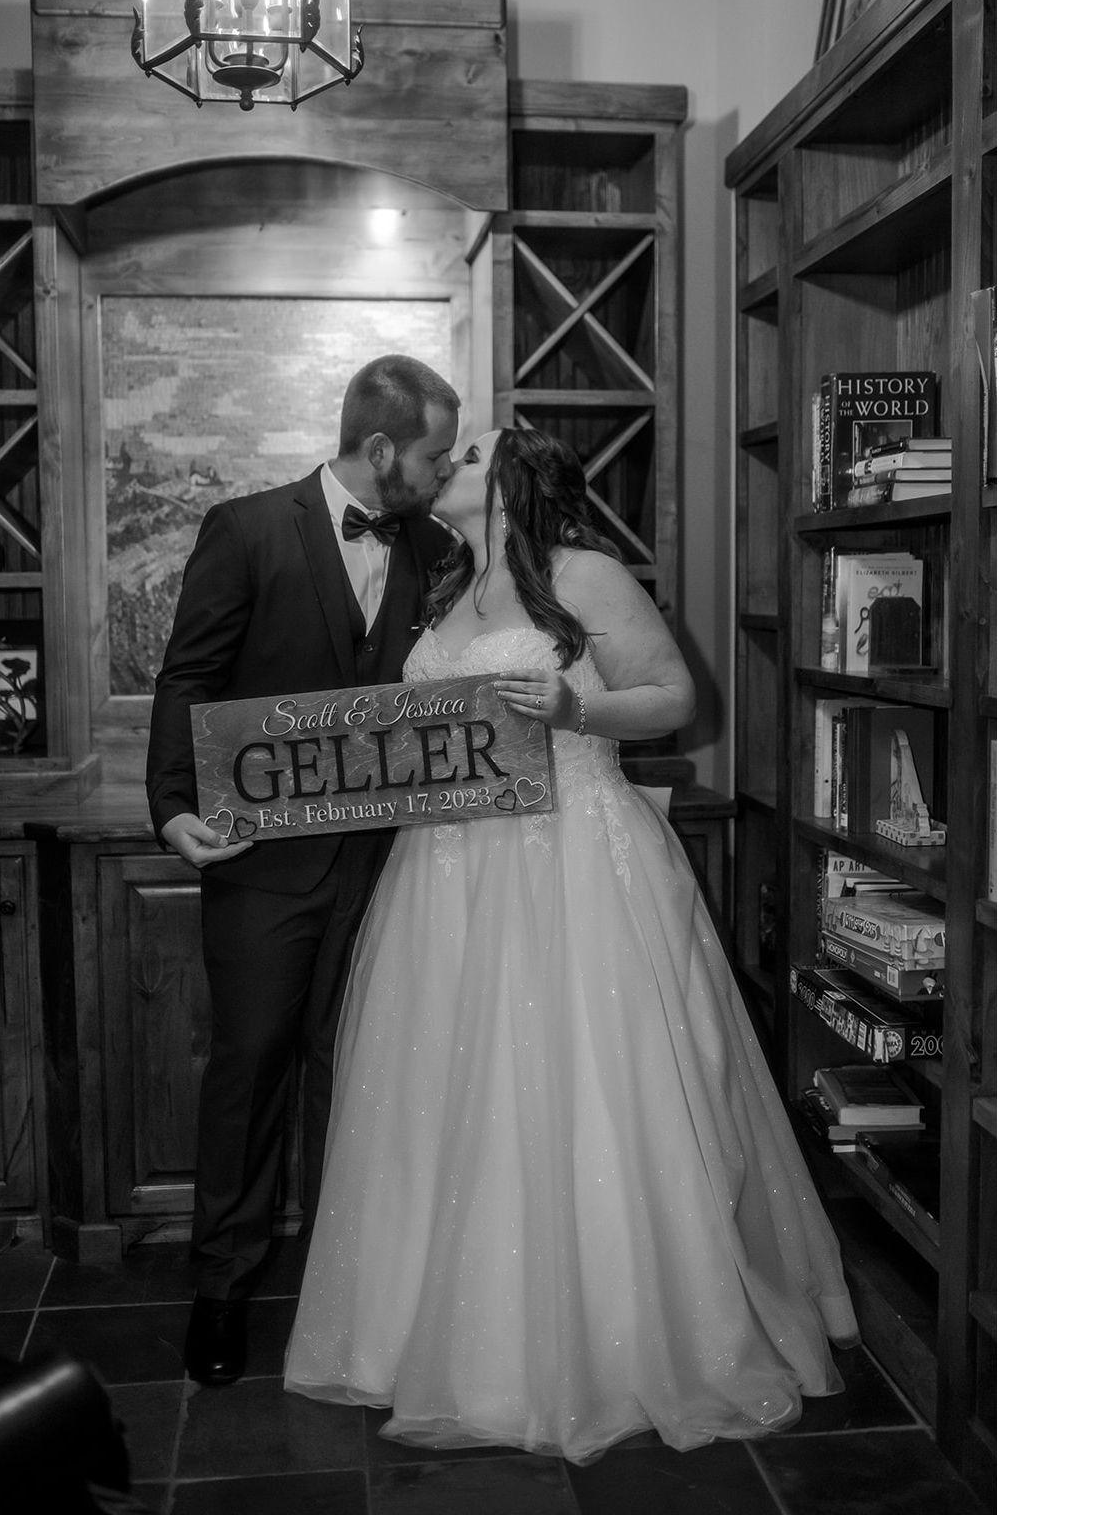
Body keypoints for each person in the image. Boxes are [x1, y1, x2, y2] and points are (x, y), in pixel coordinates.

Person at [283, 427, 859, 1462]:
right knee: (448, 1084)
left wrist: (573, 705)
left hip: (571, 859)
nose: (444, 465)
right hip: (448, 869)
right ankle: (433, 1330)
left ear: (513, 481)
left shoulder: (581, 574)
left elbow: (674, 698)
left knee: (581, 1077)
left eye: (466, 455)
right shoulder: (447, 589)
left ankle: (607, 1337)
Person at [145, 354, 460, 1388]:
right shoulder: (244, 530)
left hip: (388, 864)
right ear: (381, 450)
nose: (443, 470)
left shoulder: (437, 549)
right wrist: (174, 807)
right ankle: (221, 1292)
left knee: (359, 1070)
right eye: (432, 455)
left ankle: (346, 1292)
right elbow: (189, 675)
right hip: (262, 865)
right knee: (249, 1072)